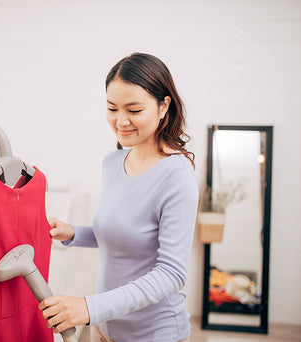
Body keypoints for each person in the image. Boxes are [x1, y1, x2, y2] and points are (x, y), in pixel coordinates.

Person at [38, 53, 199, 342]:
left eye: (134, 110)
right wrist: (73, 233)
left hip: (155, 335)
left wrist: (90, 307)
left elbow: (171, 274)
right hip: (106, 329)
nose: (120, 121)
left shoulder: (177, 175)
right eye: (112, 108)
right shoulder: (112, 163)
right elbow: (126, 235)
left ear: (164, 106)